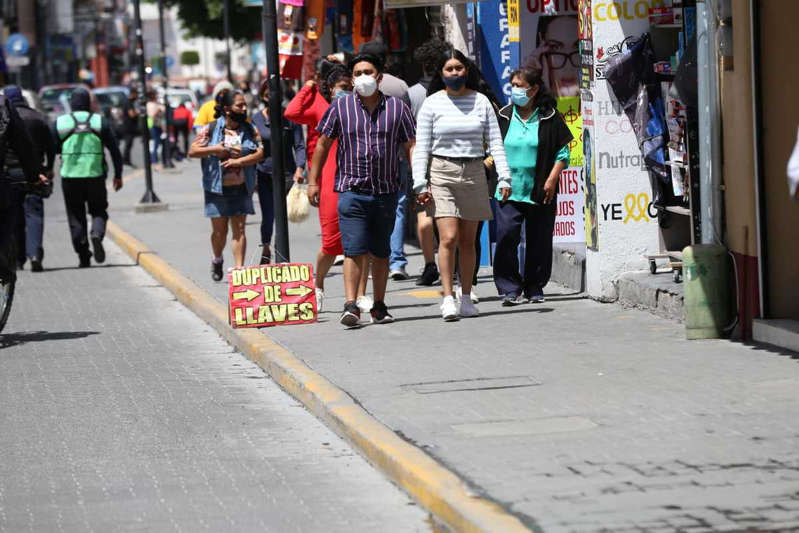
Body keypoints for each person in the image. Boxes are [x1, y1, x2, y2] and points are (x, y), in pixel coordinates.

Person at [308, 53, 416, 328]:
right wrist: (313, 181)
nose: (362, 78)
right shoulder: (340, 108)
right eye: (357, 73)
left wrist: (420, 181)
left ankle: (379, 305)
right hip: (352, 191)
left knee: (381, 252)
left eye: (368, 72)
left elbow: (410, 145)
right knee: (354, 250)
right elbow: (322, 144)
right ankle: (350, 305)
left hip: (386, 191)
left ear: (379, 77)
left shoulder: (397, 109)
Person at [412, 48, 511, 321]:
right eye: (449, 69)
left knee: (469, 241)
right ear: (441, 74)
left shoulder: (481, 102)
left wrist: (504, 176)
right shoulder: (432, 104)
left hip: (475, 171)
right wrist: (420, 183)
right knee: (448, 238)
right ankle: (447, 298)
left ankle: (466, 296)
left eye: (459, 68)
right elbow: (421, 147)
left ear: (466, 70)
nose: (455, 73)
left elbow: (495, 143)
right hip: (441, 171)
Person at [285, 62, 371, 313]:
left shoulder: (360, 106)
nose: (347, 91)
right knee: (332, 243)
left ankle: (361, 295)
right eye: (342, 87)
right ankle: (318, 284)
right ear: (331, 88)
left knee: (361, 242)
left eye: (350, 86)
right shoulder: (319, 107)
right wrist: (309, 86)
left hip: (358, 177)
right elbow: (291, 112)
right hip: (328, 180)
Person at [493, 67, 573, 304]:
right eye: (513, 85)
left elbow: (563, 152)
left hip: (540, 188)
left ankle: (534, 286)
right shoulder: (504, 115)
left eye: (520, 85)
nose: (515, 90)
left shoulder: (549, 116)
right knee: (507, 235)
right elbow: (494, 149)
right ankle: (509, 286)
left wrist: (552, 179)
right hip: (508, 187)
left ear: (534, 88)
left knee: (539, 238)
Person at [188, 90, 264, 280]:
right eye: (240, 105)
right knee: (220, 231)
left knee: (239, 229)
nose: (244, 108)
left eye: (244, 104)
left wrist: (241, 161)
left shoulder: (248, 128)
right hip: (217, 188)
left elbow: (261, 152)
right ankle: (217, 258)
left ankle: (239, 273)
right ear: (227, 109)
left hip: (241, 186)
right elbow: (193, 150)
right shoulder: (211, 128)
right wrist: (216, 150)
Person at [358, 40, 412, 281]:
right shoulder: (400, 86)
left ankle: (372, 259)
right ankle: (396, 260)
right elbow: (407, 125)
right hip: (397, 157)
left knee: (366, 209)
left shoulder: (356, 87)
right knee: (397, 207)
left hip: (364, 160)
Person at [53, 88, 124, 268]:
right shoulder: (99, 121)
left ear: (71, 103)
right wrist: (118, 174)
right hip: (95, 175)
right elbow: (115, 150)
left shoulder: (61, 122)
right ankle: (97, 233)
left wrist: (46, 169)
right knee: (99, 209)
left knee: (76, 215)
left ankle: (84, 256)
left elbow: (51, 148)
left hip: (70, 176)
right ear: (88, 103)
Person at [408, 38, 450, 287]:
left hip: (421, 158)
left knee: (424, 213)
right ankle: (450, 261)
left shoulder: (411, 93)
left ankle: (429, 264)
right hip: (448, 158)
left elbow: (409, 138)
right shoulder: (451, 93)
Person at [251, 78, 306, 264]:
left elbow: (299, 145)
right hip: (264, 175)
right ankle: (265, 247)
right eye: (266, 91)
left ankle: (280, 255)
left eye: (273, 91)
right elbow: (251, 147)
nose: (270, 95)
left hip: (287, 175)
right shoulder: (256, 119)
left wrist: (300, 168)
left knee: (282, 217)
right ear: (262, 94)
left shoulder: (290, 117)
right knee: (268, 216)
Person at [4, 86, 56, 272]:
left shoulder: (5, 116)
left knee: (15, 215)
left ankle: (18, 259)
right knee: (34, 213)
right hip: (32, 172)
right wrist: (47, 168)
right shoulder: (37, 118)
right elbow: (50, 147)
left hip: (9, 174)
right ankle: (34, 254)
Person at [121, 86, 140, 167]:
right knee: (128, 143)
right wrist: (138, 113)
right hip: (129, 126)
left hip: (130, 126)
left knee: (129, 144)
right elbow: (131, 114)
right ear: (133, 94)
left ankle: (126, 159)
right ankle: (125, 160)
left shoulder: (129, 102)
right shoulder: (128, 102)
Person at [146, 90, 165, 165]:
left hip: (157, 125)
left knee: (158, 142)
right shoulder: (150, 104)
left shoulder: (155, 104)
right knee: (155, 142)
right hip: (153, 125)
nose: (156, 97)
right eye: (155, 95)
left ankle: (155, 158)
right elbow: (152, 115)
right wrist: (158, 109)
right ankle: (154, 159)